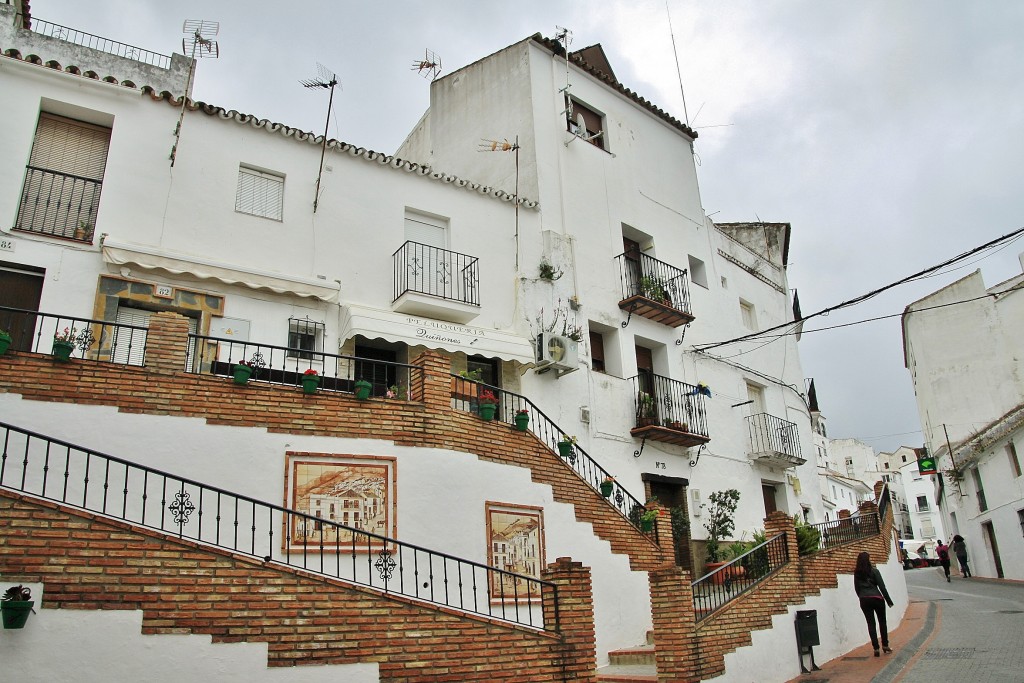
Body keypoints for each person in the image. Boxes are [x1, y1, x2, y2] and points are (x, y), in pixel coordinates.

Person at [854, 551, 894, 657]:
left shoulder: (857, 574)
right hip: (877, 598)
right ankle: (885, 645)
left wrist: (862, 597)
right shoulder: (874, 571)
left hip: (864, 599)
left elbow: (856, 589)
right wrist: (889, 601)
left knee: (870, 624)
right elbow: (882, 587)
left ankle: (876, 648)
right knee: (882, 622)